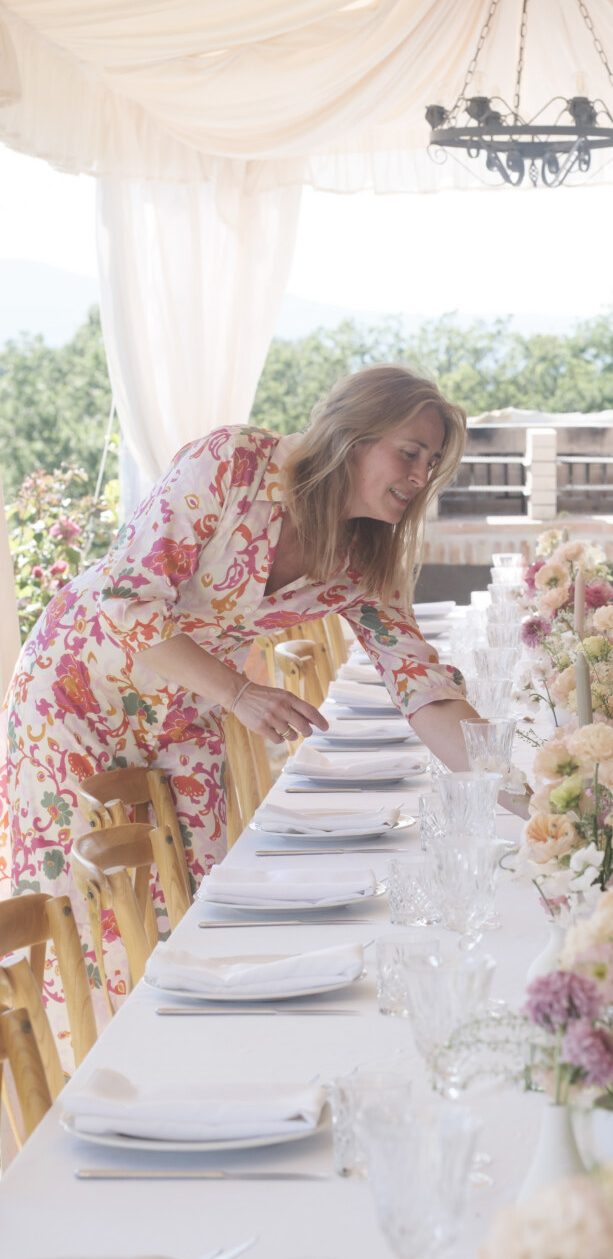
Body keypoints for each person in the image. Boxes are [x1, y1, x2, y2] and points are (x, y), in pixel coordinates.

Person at [0, 364, 484, 1039]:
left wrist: (513, 785)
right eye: (410, 452)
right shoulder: (233, 465)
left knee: (198, 904)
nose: (420, 475)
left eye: (432, 463)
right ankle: (82, 1069)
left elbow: (420, 682)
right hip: (77, 692)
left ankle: (184, 1054)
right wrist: (240, 693)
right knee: (78, 908)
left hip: (185, 713)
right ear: (351, 434)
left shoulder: (362, 559)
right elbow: (126, 601)